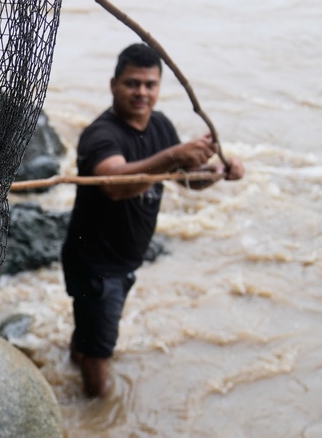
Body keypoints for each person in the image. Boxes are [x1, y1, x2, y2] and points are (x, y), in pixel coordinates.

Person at [61, 43, 245, 398]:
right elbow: (115, 185)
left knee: (91, 330)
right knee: (101, 351)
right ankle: (96, 415)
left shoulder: (160, 126)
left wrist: (219, 171)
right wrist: (176, 154)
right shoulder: (102, 135)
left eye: (149, 84)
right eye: (132, 83)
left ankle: (75, 362)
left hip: (124, 258)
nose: (141, 92)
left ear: (159, 87)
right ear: (113, 83)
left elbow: (184, 179)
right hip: (95, 263)